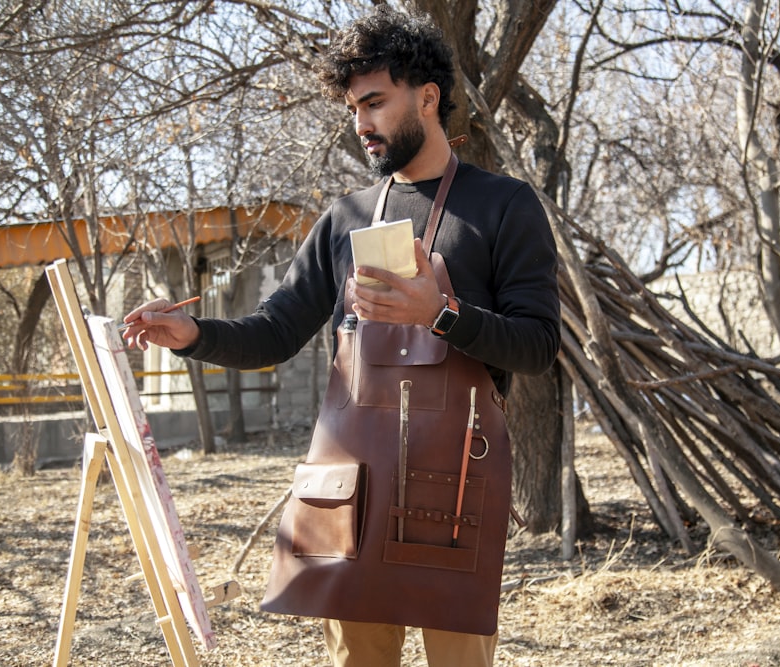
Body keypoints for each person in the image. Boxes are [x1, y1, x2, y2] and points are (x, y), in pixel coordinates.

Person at [122, 7, 560, 667]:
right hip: (352, 491)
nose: (362, 123)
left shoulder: (505, 206)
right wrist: (191, 334)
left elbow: (537, 344)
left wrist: (440, 313)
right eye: (354, 107)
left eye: (376, 102)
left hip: (457, 490)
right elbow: (275, 331)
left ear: (429, 97)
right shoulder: (344, 219)